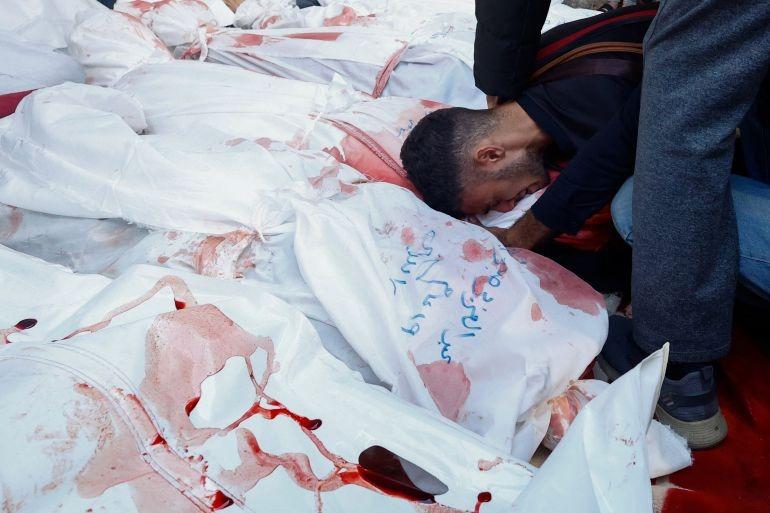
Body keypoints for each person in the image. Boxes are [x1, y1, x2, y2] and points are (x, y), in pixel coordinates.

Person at [401, 2, 770, 448]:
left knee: (637, 207)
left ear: (491, 154)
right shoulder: (545, 69)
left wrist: (524, 234)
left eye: (497, 200)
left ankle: (682, 377)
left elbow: (635, 140)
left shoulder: (608, 95)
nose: (510, 205)